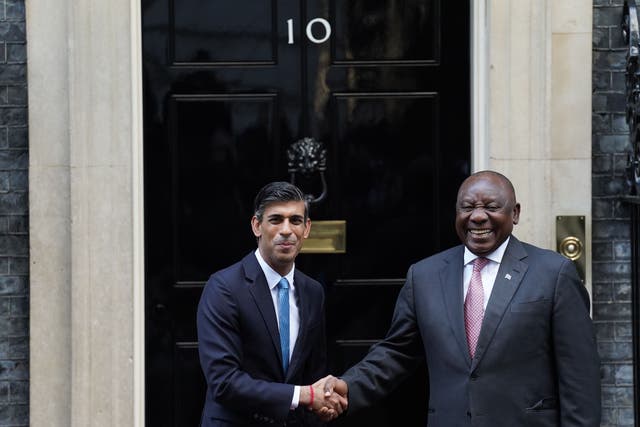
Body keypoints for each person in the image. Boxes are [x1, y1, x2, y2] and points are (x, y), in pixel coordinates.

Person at [321, 170, 601, 426]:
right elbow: (397, 352)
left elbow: (580, 377)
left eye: (491, 207)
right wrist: (348, 386)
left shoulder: (554, 273)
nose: (478, 217)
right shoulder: (425, 275)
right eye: (467, 207)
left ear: (514, 213)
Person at [197, 181, 345, 426]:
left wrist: (323, 403)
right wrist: (305, 396)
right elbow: (224, 381)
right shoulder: (223, 288)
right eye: (276, 220)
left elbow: (314, 373)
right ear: (257, 226)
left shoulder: (313, 292)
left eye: (295, 220)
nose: (286, 230)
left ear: (306, 228)